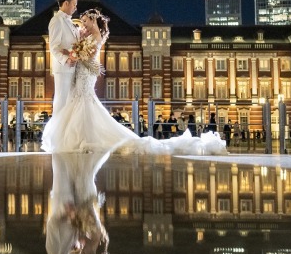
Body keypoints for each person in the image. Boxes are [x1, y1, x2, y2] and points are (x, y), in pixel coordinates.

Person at [41, 9, 227, 156]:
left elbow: (87, 55)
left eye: (85, 21)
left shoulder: (96, 37)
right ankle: (81, 138)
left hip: (86, 74)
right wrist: (76, 50)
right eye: (81, 22)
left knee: (85, 105)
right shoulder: (87, 36)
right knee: (84, 106)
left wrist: (73, 54)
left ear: (93, 20)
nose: (83, 24)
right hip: (84, 73)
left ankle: (83, 140)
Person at [46, 151, 111, 254]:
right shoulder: (68, 250)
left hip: (63, 199)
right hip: (74, 199)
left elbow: (52, 224)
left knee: (61, 164)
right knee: (70, 165)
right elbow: (78, 223)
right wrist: (74, 216)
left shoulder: (54, 252)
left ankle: (63, 146)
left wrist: (66, 211)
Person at [48, 0, 80, 116]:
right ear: (66, 3)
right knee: (61, 103)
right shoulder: (56, 20)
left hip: (72, 69)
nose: (75, 7)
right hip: (63, 69)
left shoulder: (70, 21)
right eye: (74, 4)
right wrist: (66, 59)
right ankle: (57, 128)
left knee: (69, 104)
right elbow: (54, 47)